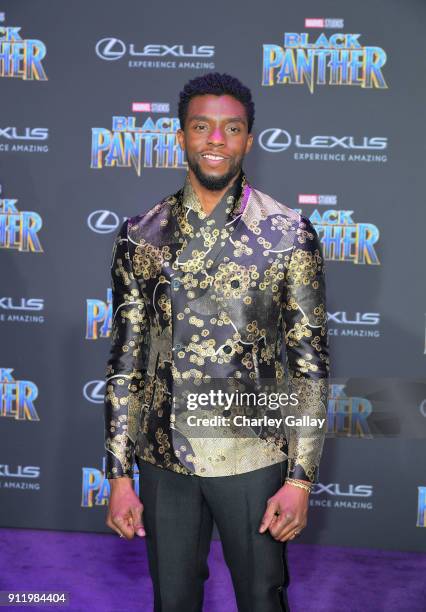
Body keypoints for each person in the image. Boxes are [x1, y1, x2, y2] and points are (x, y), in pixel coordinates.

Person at [103, 72, 329, 612]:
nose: (215, 140)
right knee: (172, 601)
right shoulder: (141, 234)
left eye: (232, 129)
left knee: (260, 598)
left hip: (253, 456)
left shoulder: (287, 232)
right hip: (163, 460)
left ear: (249, 140)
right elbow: (125, 360)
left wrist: (299, 480)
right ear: (180, 136)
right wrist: (118, 475)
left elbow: (310, 364)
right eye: (202, 127)